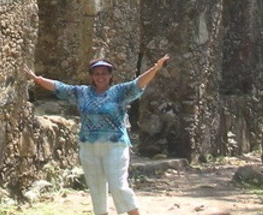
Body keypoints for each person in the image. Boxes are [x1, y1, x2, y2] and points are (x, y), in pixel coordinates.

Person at [25, 54, 171, 215]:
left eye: (104, 73)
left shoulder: (119, 92)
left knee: (118, 186)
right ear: (92, 76)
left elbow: (138, 83)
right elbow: (60, 87)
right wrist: (36, 79)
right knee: (96, 189)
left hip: (115, 145)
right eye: (96, 73)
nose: (100, 76)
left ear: (110, 75)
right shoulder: (82, 92)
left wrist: (155, 69)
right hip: (89, 147)